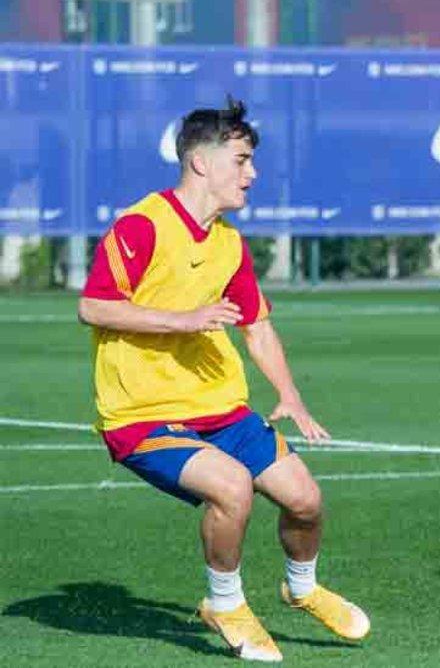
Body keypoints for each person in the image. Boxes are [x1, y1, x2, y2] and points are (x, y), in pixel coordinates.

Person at [78, 97, 369, 662]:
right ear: (201, 163)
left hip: (222, 410)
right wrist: (181, 320)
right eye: (241, 160)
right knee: (232, 487)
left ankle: (301, 589)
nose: (252, 173)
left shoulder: (229, 243)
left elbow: (257, 326)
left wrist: (291, 395)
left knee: (305, 500)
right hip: (142, 416)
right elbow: (93, 307)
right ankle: (225, 602)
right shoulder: (142, 226)